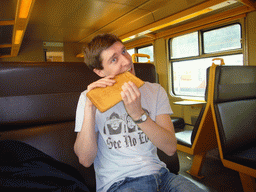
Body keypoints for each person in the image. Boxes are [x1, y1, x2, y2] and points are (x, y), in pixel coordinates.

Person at [74, 33, 204, 192]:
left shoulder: (155, 90)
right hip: (119, 183)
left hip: (162, 176)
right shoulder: (87, 99)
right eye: (114, 59)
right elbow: (85, 159)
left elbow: (170, 148)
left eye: (124, 51)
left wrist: (138, 115)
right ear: (100, 72)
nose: (127, 61)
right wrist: (90, 108)